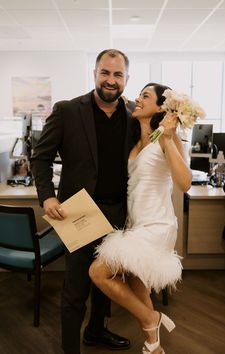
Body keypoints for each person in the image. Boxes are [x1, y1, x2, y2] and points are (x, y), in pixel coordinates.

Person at [31, 49, 135, 354]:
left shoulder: (132, 116)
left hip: (118, 210)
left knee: (107, 280)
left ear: (126, 78)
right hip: (80, 211)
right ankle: (70, 348)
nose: (111, 80)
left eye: (118, 74)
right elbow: (40, 157)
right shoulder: (67, 110)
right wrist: (47, 195)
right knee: (75, 287)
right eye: (105, 72)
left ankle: (96, 330)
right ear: (94, 74)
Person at [89, 83, 192, 354]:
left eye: (145, 96)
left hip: (157, 225)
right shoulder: (134, 139)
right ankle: (153, 344)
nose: (138, 99)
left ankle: (151, 318)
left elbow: (184, 183)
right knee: (136, 281)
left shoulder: (167, 138)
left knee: (98, 272)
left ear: (161, 107)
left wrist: (169, 139)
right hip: (136, 224)